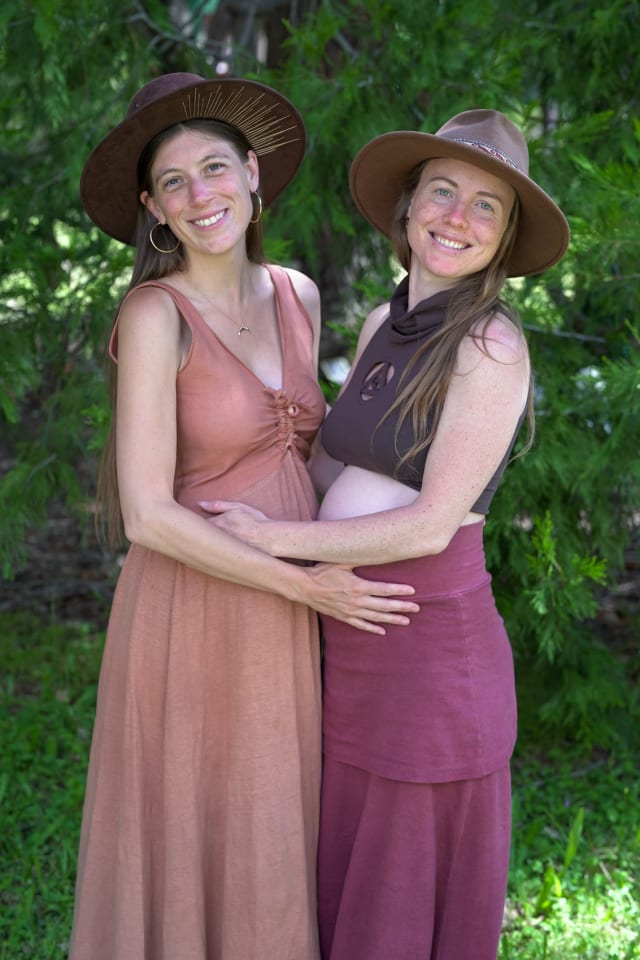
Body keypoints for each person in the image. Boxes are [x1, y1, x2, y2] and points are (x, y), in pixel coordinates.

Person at [201, 109, 570, 959]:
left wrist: (272, 545)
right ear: (407, 210)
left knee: (405, 889)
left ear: (506, 237)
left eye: (487, 206)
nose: (457, 216)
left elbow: (431, 523)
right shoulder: (381, 323)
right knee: (355, 867)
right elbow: (327, 468)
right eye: (442, 192)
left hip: (429, 645)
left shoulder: (491, 343)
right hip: (354, 638)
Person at [69, 72, 419, 960]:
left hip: (294, 596)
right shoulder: (155, 314)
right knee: (191, 815)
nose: (201, 194)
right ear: (152, 207)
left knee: (273, 814)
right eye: (175, 182)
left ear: (254, 174)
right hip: (194, 606)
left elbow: (318, 456)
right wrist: (304, 585)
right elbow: (147, 514)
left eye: (215, 168)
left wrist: (428, 491)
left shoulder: (297, 294)